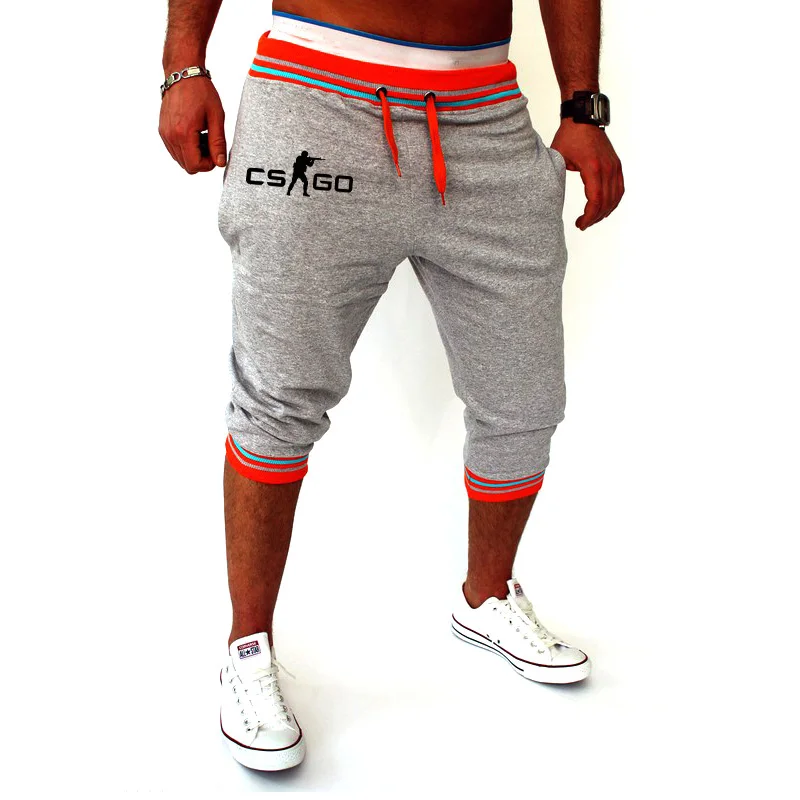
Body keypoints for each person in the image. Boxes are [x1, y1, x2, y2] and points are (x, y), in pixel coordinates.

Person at [159, 0, 623, 772]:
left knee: (524, 399)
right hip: (315, 100)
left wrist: (583, 105)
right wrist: (183, 65)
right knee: (279, 400)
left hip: (486, 118)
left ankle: (486, 598)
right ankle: (248, 647)